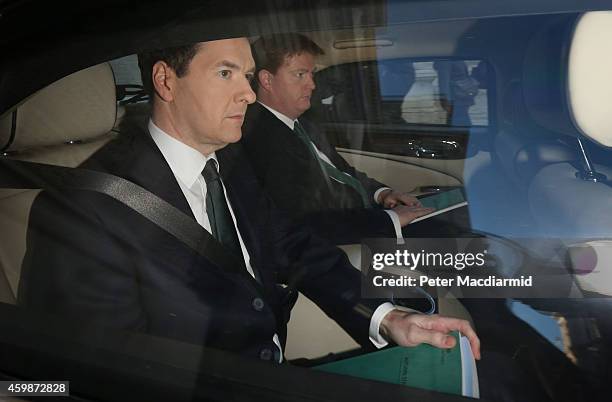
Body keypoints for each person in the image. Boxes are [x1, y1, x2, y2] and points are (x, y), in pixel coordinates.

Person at [18, 38, 479, 364]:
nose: (246, 92)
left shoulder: (228, 163)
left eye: (244, 73)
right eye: (225, 73)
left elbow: (293, 245)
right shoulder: (84, 212)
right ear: (166, 80)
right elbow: (97, 375)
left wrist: (385, 316)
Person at [241, 34, 435, 245]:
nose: (312, 85)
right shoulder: (260, 141)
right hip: (343, 243)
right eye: (300, 75)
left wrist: (382, 193)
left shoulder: (303, 124)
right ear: (267, 80)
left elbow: (343, 172)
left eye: (311, 74)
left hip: (364, 221)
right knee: (460, 256)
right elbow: (303, 222)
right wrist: (390, 219)